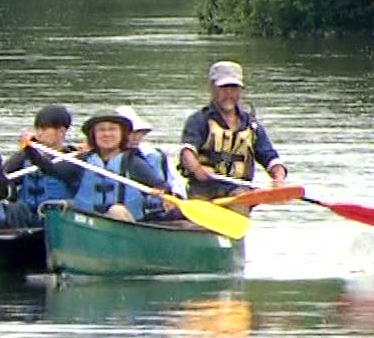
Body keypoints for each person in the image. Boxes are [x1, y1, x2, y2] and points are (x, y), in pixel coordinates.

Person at [23, 107, 165, 221]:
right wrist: (30, 148)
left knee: (117, 211)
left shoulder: (133, 163)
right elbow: (50, 169)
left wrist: (159, 195)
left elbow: (161, 187)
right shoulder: (82, 162)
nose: (107, 134)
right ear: (94, 135)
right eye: (101, 130)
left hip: (126, 230)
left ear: (122, 134)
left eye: (112, 129)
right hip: (86, 226)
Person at [178, 60, 288, 202]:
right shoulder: (199, 120)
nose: (229, 94)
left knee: (240, 199)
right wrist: (197, 169)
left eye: (234, 88)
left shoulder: (252, 126)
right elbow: (187, 152)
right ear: (212, 88)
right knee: (195, 221)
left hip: (238, 191)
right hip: (203, 191)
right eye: (223, 88)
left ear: (241, 90)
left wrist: (278, 178)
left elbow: (270, 157)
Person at [0, 104, 75, 229]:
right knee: (9, 209)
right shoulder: (22, 157)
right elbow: (3, 183)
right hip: (27, 221)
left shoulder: (73, 159)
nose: (39, 133)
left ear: (61, 132)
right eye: (37, 129)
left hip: (56, 220)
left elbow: (50, 169)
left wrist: (31, 151)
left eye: (44, 129)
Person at [119, 105, 182, 221]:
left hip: (157, 212)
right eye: (132, 133)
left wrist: (172, 197)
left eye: (140, 133)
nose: (137, 137)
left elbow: (174, 185)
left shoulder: (154, 155)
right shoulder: (94, 158)